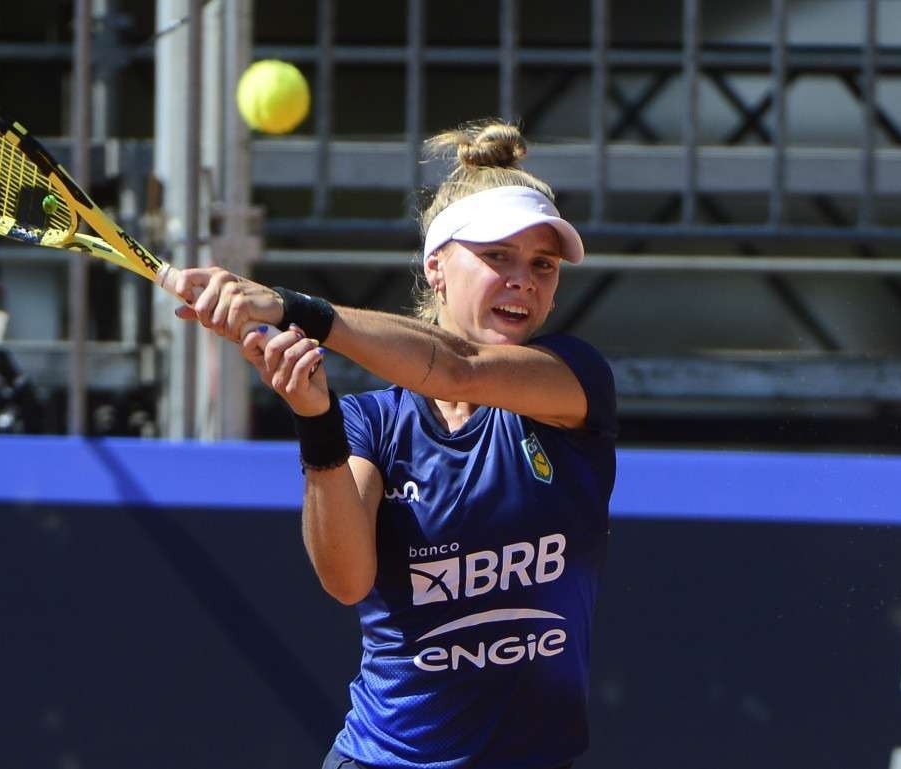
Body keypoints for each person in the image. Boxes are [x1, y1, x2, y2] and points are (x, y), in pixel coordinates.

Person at [173, 120, 618, 769]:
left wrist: (289, 307)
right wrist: (316, 418)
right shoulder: (373, 423)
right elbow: (347, 578)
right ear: (436, 267)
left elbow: (459, 365)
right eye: (498, 256)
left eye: (542, 265)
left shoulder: (573, 380)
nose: (524, 278)